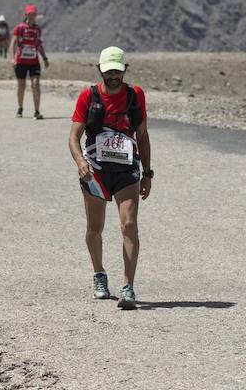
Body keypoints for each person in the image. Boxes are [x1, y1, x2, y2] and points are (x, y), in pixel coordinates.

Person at [68, 47, 152, 310]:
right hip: (95, 171)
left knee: (129, 226)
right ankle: (99, 275)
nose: (113, 75)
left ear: (125, 69)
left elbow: (143, 135)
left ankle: (128, 287)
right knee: (95, 228)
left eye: (118, 70)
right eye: (108, 71)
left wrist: (148, 173)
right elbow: (73, 137)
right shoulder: (88, 97)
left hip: (127, 171)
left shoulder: (135, 96)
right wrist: (80, 162)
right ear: (100, 70)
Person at [9, 4, 49, 119]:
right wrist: (13, 59)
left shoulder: (37, 29)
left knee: (35, 84)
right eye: (30, 14)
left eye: (34, 14)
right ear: (26, 14)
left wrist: (45, 58)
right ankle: (20, 108)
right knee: (21, 85)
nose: (32, 16)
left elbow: (39, 45)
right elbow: (12, 44)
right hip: (21, 61)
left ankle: (37, 111)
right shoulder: (20, 28)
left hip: (34, 62)